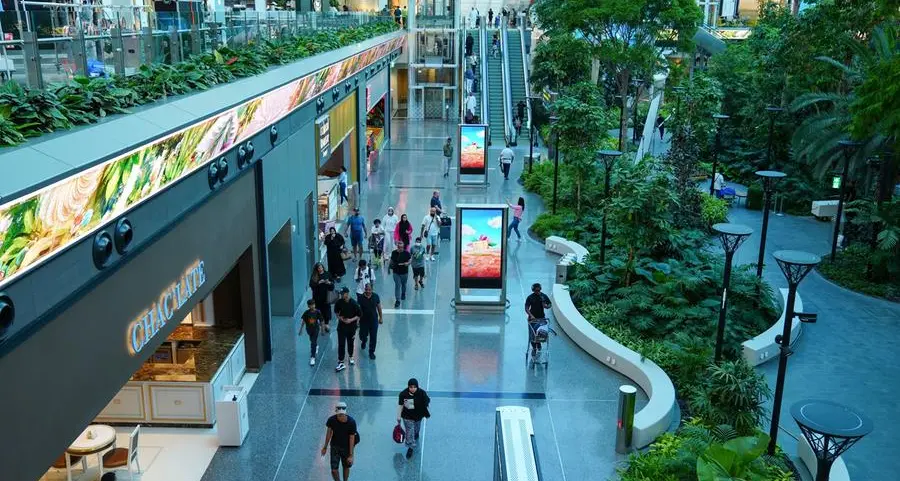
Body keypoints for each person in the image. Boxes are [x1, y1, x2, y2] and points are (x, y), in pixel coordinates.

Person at [322, 402, 358, 481]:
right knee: (334, 470)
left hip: (346, 448)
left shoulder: (351, 422)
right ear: (336, 412)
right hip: (335, 447)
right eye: (339, 415)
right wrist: (325, 447)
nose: (341, 416)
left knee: (346, 467)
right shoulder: (331, 420)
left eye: (342, 415)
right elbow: (328, 434)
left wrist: (351, 455)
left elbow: (352, 438)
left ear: (345, 413)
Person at [397, 378, 430, 459]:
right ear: (408, 387)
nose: (413, 389)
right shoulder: (403, 394)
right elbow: (400, 405)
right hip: (407, 417)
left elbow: (427, 401)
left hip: (418, 416)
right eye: (411, 387)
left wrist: (425, 405)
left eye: (414, 387)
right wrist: (398, 416)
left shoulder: (421, 393)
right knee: (409, 431)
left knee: (416, 429)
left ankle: (416, 434)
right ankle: (410, 447)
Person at [333, 287, 361, 371]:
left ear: (347, 293)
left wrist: (350, 320)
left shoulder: (354, 303)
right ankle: (341, 361)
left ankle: (351, 356)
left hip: (351, 326)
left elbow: (359, 315)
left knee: (350, 342)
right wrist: (341, 319)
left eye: (343, 293)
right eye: (341, 294)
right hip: (341, 326)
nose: (341, 295)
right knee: (341, 343)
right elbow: (336, 313)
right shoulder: (339, 302)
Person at [525, 283, 552, 357]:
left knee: (539, 333)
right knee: (532, 333)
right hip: (532, 319)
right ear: (533, 290)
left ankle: (539, 346)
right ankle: (534, 348)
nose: (538, 292)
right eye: (536, 290)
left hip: (541, 318)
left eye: (539, 290)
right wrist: (531, 315)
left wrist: (546, 306)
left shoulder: (543, 296)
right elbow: (526, 308)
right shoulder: (530, 297)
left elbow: (550, 304)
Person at [357, 283, 383, 359]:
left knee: (373, 336)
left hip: (373, 320)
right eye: (366, 289)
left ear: (372, 289)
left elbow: (379, 307)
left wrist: (381, 318)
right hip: (363, 320)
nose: (368, 291)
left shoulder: (376, 296)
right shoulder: (361, 297)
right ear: (364, 289)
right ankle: (364, 340)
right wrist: (357, 321)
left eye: (369, 290)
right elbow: (358, 310)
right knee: (362, 335)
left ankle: (371, 352)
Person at [309, 263, 335, 332]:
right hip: (317, 297)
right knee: (316, 310)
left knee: (326, 310)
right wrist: (318, 283)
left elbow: (332, 285)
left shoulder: (327, 274)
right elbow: (311, 285)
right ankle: (316, 323)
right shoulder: (314, 276)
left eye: (321, 267)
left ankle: (326, 324)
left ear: (323, 267)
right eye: (319, 268)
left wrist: (328, 283)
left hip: (326, 296)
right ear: (316, 269)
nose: (320, 269)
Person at [300, 299, 322, 366]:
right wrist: (301, 329)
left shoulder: (318, 312)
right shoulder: (306, 313)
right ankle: (316, 346)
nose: (312, 306)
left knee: (313, 342)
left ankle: (313, 357)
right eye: (311, 305)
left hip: (316, 329)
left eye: (313, 304)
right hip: (309, 329)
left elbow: (321, 320)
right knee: (311, 339)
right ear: (308, 306)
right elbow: (303, 321)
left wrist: (322, 328)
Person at [389, 241, 411, 308]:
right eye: (399, 247)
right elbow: (391, 260)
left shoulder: (406, 253)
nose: (400, 248)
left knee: (403, 284)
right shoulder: (394, 253)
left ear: (403, 247)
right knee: (397, 285)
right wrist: (389, 268)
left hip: (404, 272)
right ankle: (397, 300)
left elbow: (410, 260)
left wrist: (408, 263)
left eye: (401, 247)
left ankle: (403, 293)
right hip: (396, 272)